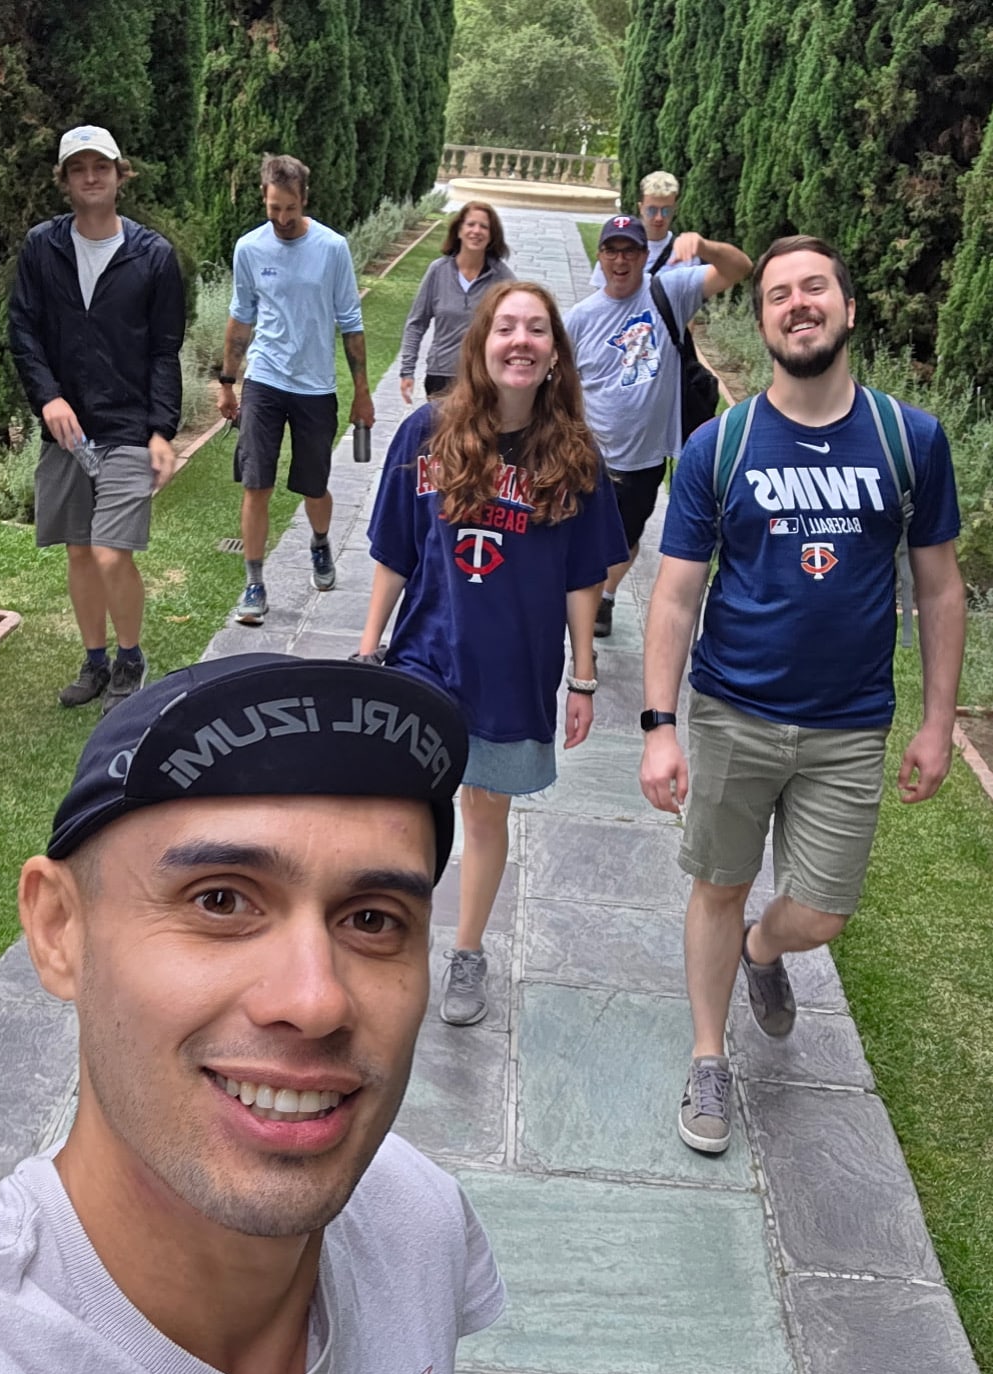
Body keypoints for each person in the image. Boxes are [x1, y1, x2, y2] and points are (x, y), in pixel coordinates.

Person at [0, 654, 505, 1374]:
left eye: (372, 918)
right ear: (59, 929)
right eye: (220, 900)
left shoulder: (416, 1218)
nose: (315, 998)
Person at [639, 236, 966, 1155]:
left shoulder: (910, 439)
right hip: (734, 710)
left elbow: (937, 587)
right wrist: (659, 725)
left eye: (813, 287)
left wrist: (937, 720)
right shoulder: (721, 444)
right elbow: (675, 591)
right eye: (777, 293)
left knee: (821, 910)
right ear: (763, 318)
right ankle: (709, 1057)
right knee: (717, 883)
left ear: (847, 308)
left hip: (849, 724)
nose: (795, 303)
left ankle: (763, 949)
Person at [357, 281, 628, 1026]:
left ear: (552, 356)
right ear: (478, 345)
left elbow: (583, 577)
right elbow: (395, 551)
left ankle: (467, 951)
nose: (519, 340)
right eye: (504, 326)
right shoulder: (426, 435)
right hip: (425, 657)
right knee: (402, 812)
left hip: (514, 671)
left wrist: (582, 676)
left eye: (535, 330)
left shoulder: (574, 459)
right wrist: (367, 644)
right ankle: (388, 938)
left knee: (483, 815)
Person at [10, 123, 185, 713]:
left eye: (101, 167)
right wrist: (47, 398)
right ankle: (94, 661)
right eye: (79, 168)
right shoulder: (43, 246)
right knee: (79, 550)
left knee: (112, 550)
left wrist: (162, 429)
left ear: (118, 175)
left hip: (129, 427)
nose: (91, 177)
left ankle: (130, 659)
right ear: (65, 180)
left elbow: (165, 349)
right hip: (66, 430)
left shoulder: (153, 255)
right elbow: (24, 331)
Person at [566, 215, 751, 639]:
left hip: (644, 456)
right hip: (589, 455)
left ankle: (605, 596)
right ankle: (584, 619)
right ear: (600, 257)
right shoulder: (579, 317)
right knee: (583, 541)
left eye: (630, 250)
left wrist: (703, 244)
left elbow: (740, 268)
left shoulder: (669, 292)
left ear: (644, 256)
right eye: (611, 250)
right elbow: (564, 385)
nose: (620, 259)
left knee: (626, 539)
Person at [217, 155, 374, 625]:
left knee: (314, 485)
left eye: (289, 208)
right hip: (264, 380)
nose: (282, 219)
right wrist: (228, 382)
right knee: (255, 484)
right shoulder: (249, 248)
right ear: (264, 199)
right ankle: (254, 582)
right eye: (273, 209)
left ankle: (320, 544)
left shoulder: (332, 248)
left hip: (315, 387)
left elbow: (351, 323)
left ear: (304, 199)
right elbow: (241, 317)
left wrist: (362, 393)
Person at [398, 202, 514, 402]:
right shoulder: (438, 271)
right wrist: (407, 371)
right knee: (442, 432)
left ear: (492, 235)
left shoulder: (502, 278)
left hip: (483, 377)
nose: (476, 231)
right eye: (471, 224)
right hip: (441, 376)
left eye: (484, 226)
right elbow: (416, 323)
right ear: (459, 230)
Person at [586, 170, 700, 289]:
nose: (659, 217)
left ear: (674, 209)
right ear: (641, 208)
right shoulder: (618, 246)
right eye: (652, 210)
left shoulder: (688, 256)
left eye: (666, 210)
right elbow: (601, 296)